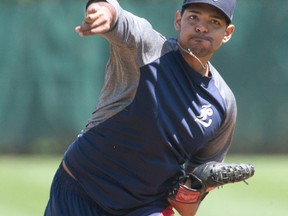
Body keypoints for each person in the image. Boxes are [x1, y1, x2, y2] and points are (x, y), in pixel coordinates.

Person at [44, 0, 238, 215]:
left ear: (227, 33)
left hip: (144, 207)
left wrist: (197, 187)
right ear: (178, 20)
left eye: (214, 21)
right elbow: (121, 19)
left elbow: (188, 201)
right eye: (193, 17)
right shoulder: (147, 49)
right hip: (82, 188)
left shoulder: (223, 103)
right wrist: (104, 10)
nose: (201, 26)